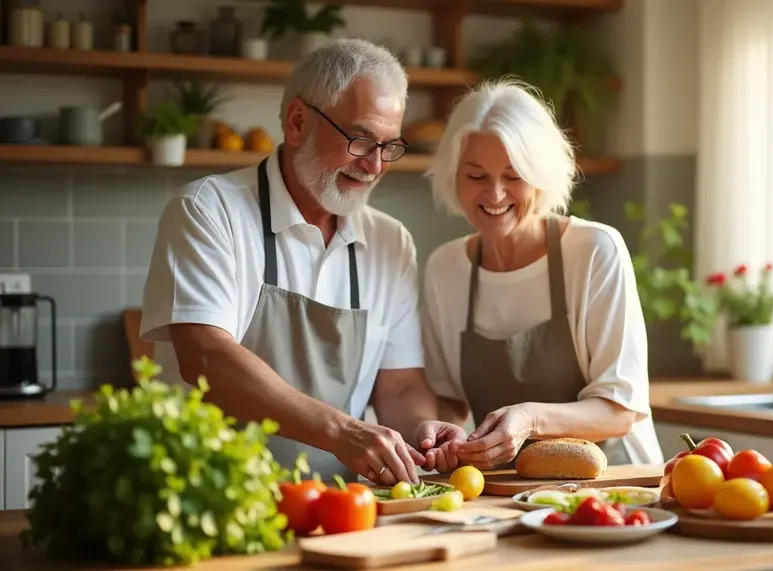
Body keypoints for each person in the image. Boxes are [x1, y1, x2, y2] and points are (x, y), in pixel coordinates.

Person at [140, 39, 466, 486]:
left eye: (390, 146)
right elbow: (205, 358)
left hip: (338, 503)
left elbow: (401, 384)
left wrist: (421, 431)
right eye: (360, 139)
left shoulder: (391, 241)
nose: (374, 165)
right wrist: (342, 431)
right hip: (214, 497)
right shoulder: (208, 210)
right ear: (297, 122)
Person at [420, 79, 665, 471]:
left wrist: (530, 420)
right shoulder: (444, 269)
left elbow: (619, 413)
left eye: (514, 175)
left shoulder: (594, 250)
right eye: (477, 175)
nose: (495, 194)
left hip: (618, 483)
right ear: (454, 175)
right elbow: (449, 399)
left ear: (541, 174)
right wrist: (443, 438)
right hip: (504, 489)